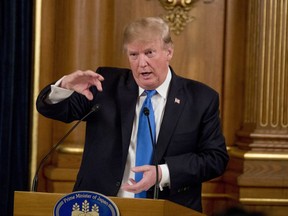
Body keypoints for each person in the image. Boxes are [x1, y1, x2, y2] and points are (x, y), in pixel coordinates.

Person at [36, 16, 229, 212]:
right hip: (101, 207)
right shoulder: (105, 84)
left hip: (168, 208)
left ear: (169, 51)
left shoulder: (201, 99)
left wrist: (162, 173)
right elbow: (54, 109)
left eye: (149, 53)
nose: (141, 63)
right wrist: (64, 87)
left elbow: (215, 159)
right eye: (134, 54)